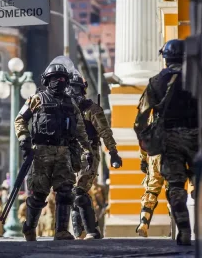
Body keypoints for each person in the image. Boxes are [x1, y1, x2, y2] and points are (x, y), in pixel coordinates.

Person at [14, 61, 93, 241]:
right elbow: (19, 120)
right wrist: (24, 139)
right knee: (39, 194)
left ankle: (62, 231)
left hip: (64, 152)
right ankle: (30, 227)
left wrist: (87, 150)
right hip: (41, 152)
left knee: (65, 192)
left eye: (63, 78)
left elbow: (80, 129)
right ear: (47, 80)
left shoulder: (70, 103)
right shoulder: (37, 99)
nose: (59, 81)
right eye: (55, 78)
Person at [134, 39, 198, 246]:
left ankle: (185, 230)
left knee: (176, 186)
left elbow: (140, 118)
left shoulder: (155, 82)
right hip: (198, 137)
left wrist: (145, 142)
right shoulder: (198, 79)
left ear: (165, 59)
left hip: (170, 139)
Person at [67, 71, 122, 240]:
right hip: (70, 154)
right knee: (71, 193)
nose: (73, 93)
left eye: (76, 89)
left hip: (88, 153)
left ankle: (92, 231)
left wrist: (113, 153)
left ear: (82, 90)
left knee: (79, 191)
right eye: (70, 89)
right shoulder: (63, 109)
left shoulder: (91, 109)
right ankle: (80, 232)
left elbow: (105, 132)